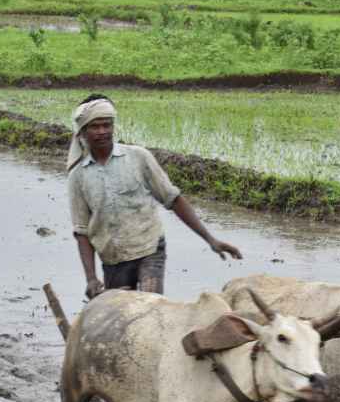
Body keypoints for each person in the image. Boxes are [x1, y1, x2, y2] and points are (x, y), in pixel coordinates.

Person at [67, 93, 242, 299]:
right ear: (83, 132)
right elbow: (82, 231)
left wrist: (210, 239)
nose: (102, 132)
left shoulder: (138, 158)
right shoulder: (78, 176)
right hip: (113, 260)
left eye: (107, 125)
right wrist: (91, 278)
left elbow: (173, 199)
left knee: (151, 306)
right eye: (94, 127)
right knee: (121, 321)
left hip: (149, 250)